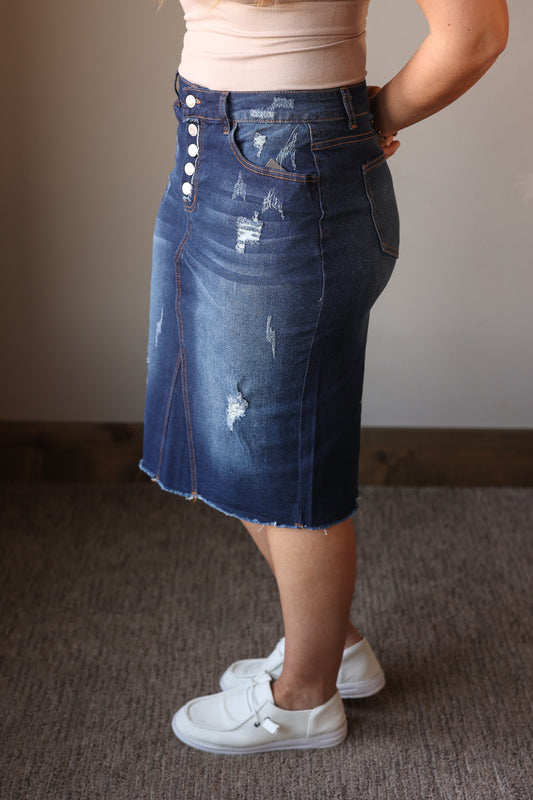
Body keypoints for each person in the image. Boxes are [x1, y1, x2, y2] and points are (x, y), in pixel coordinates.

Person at [140, 0, 508, 754]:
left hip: (287, 161)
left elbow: (473, 33)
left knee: (283, 451)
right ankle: (331, 647)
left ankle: (305, 700)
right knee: (220, 429)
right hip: (205, 145)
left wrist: (365, 121)